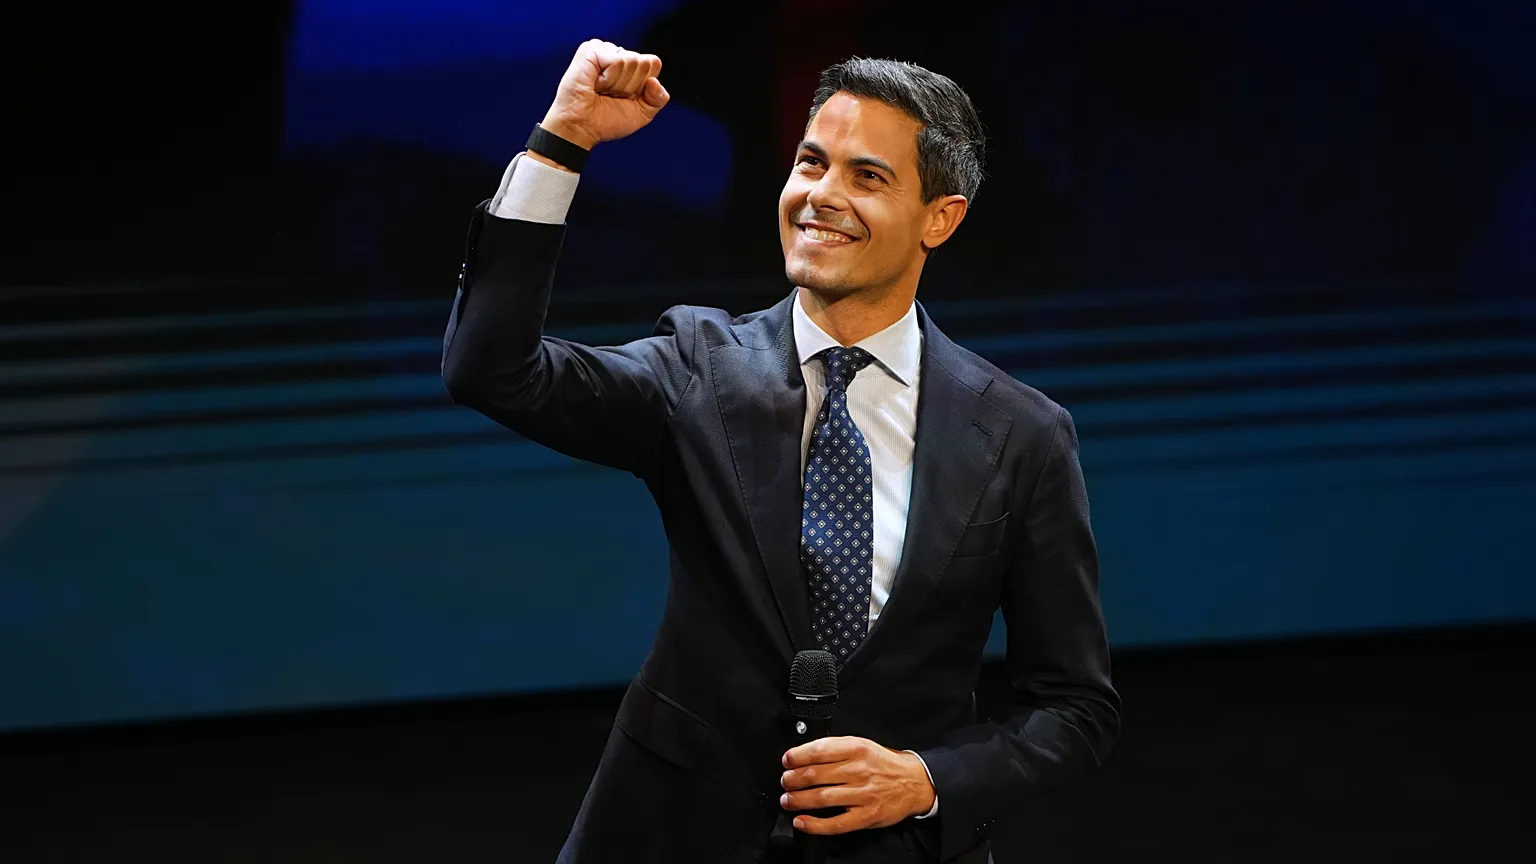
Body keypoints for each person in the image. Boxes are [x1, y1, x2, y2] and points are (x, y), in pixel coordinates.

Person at [442, 39, 1119, 864]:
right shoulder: (697, 368)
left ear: (939, 218)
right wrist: (563, 141)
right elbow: (492, 371)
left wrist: (927, 779)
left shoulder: (1022, 433)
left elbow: (1075, 709)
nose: (821, 195)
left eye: (867, 177)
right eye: (810, 162)